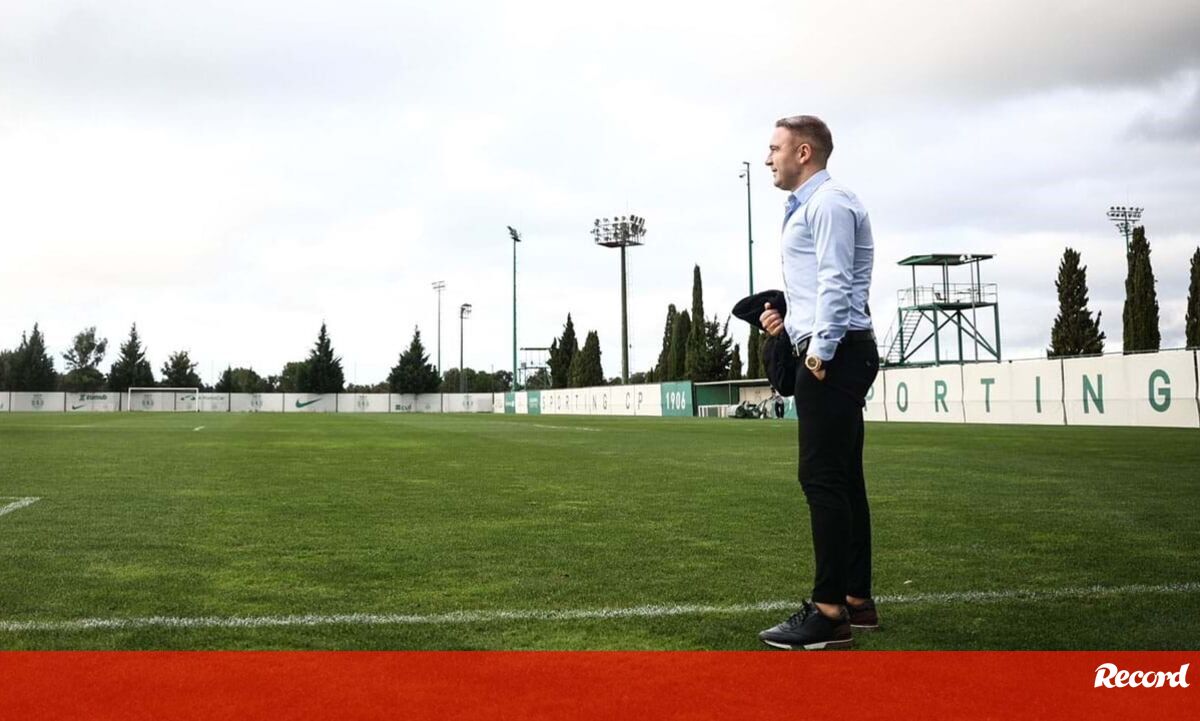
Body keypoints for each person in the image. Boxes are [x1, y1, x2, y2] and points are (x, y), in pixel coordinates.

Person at [756, 115, 880, 650]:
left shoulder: (827, 203)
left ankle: (829, 613)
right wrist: (789, 322)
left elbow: (836, 281)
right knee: (844, 479)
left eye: (775, 148)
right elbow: (821, 285)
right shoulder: (814, 206)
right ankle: (856, 600)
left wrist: (818, 352)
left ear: (803, 152)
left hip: (834, 354)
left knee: (822, 479)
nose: (768, 158)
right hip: (837, 347)